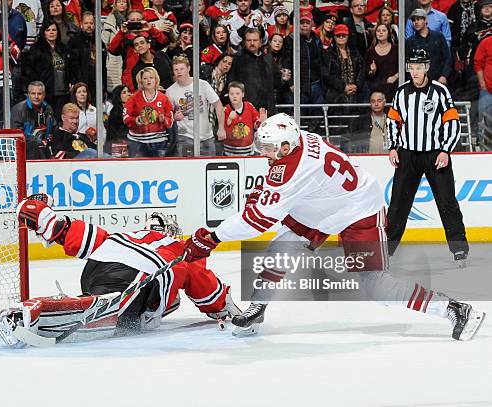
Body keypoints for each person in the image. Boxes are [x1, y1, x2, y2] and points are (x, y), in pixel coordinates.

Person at [182, 112, 485, 341]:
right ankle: (258, 308)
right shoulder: (303, 139)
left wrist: (212, 236)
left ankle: (454, 309)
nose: (265, 152)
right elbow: (283, 193)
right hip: (326, 204)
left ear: (287, 145)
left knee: (375, 285)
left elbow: (257, 220)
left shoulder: (291, 167)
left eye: (269, 147)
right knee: (282, 246)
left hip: (358, 210)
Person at [0, 196, 240, 347]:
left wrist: (55, 227)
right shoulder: (179, 250)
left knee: (97, 291)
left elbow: (88, 238)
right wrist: (223, 307)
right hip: (139, 272)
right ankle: (41, 312)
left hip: (98, 265)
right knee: (133, 295)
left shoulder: (128, 236)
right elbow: (205, 287)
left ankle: (76, 300)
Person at [386, 49, 469, 265]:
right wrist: (393, 147)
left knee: (447, 202)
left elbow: (451, 122)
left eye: (418, 67)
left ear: (426, 67)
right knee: (398, 205)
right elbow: (393, 120)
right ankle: (387, 250)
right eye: (411, 67)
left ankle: (459, 250)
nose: (414, 72)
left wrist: (445, 150)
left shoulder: (440, 92)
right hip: (407, 155)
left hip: (434, 155)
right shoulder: (401, 92)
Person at [166, 56, 226, 156]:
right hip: (185, 137)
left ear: (188, 68)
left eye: (181, 69)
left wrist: (221, 128)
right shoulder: (170, 91)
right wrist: (174, 117)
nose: (179, 72)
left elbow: (218, 105)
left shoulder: (203, 84)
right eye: (176, 69)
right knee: (188, 168)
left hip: (206, 136)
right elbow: (168, 115)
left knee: (207, 168)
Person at [123, 67, 175, 157]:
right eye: (145, 78)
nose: (148, 81)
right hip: (136, 142)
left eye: (151, 78)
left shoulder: (164, 98)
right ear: (141, 81)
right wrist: (136, 120)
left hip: (159, 142)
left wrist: (164, 119)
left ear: (156, 80)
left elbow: (170, 119)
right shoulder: (133, 98)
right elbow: (125, 116)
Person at [24, 21, 70, 118]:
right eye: (48, 30)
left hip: (62, 91)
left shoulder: (64, 48)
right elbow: (29, 69)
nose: (51, 32)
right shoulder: (36, 48)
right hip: (45, 91)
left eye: (54, 30)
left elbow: (70, 67)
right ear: (44, 33)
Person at [229, 28, 276, 113]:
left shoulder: (268, 59)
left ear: (260, 42)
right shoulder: (238, 59)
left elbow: (277, 81)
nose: (252, 43)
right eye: (249, 40)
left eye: (255, 40)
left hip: (267, 109)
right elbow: (232, 82)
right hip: (245, 109)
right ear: (244, 42)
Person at [322, 24, 366, 104]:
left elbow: (362, 70)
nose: (341, 37)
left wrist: (356, 85)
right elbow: (326, 75)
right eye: (338, 35)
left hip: (356, 93)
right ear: (334, 37)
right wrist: (343, 87)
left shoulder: (355, 52)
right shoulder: (328, 53)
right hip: (336, 95)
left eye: (344, 35)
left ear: (348, 36)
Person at [405, 9, 452, 84]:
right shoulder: (410, 42)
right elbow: (408, 64)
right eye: (413, 20)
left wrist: (444, 76)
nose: (416, 22)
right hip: (418, 83)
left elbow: (447, 58)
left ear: (426, 20)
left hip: (438, 80)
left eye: (419, 19)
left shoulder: (438, 37)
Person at [11, 81, 55, 159]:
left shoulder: (48, 108)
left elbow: (53, 128)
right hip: (24, 148)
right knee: (36, 143)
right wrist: (36, 140)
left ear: (44, 95)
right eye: (33, 93)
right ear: (28, 94)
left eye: (39, 94)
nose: (36, 97)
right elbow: (17, 134)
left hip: (44, 146)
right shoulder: (18, 109)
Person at [222, 81, 266, 156]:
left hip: (248, 151)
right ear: (228, 95)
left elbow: (256, 125)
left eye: (237, 93)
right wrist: (229, 119)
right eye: (231, 94)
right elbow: (222, 130)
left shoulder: (249, 106)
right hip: (229, 152)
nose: (234, 96)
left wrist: (261, 122)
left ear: (243, 94)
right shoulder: (226, 109)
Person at [364, 23, 399, 101]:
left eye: (383, 30)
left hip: (393, 88)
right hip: (376, 91)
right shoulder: (370, 52)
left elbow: (403, 67)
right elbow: (367, 73)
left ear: (388, 33)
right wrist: (372, 71)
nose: (381, 32)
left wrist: (395, 77)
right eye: (378, 31)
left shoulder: (396, 49)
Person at [102, 0, 130, 92]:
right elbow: (104, 43)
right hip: (114, 59)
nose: (122, 4)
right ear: (115, 4)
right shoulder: (109, 22)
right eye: (119, 1)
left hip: (128, 58)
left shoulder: (131, 20)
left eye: (124, 2)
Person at [474, 34, 492, 140]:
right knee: (486, 122)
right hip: (487, 90)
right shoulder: (486, 42)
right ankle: (484, 147)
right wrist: (483, 85)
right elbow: (478, 64)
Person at [106, 85, 131, 157]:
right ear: (118, 96)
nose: (128, 94)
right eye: (124, 92)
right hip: (118, 146)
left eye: (128, 91)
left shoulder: (130, 110)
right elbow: (116, 132)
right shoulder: (115, 111)